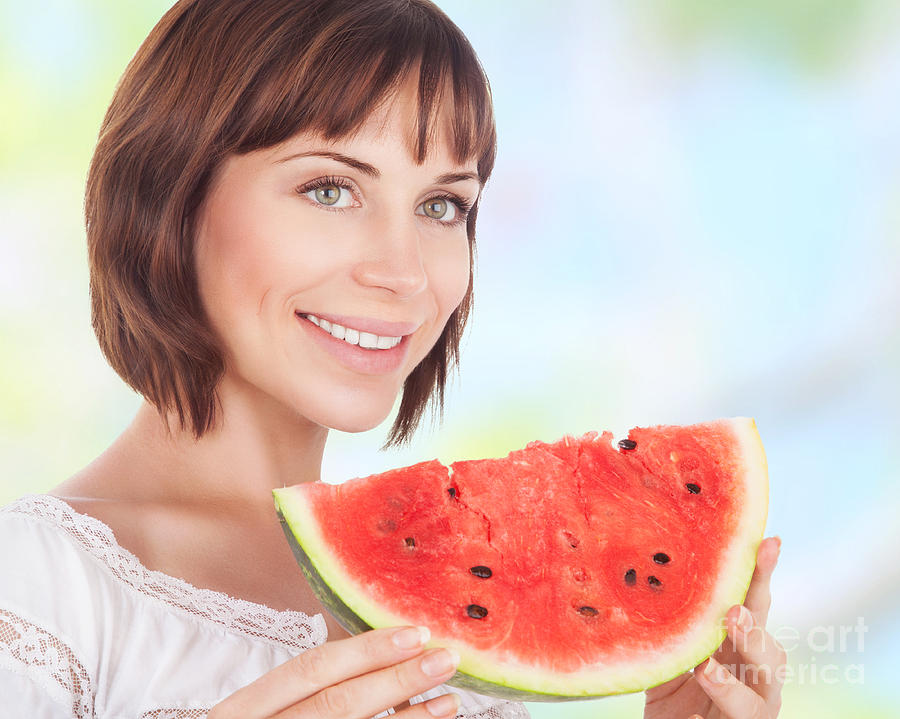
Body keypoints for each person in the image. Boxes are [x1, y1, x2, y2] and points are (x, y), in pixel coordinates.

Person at [0, 1, 786, 717]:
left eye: (442, 205)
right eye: (332, 189)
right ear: (171, 191)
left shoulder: (456, 630)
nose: (405, 271)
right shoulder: (36, 585)